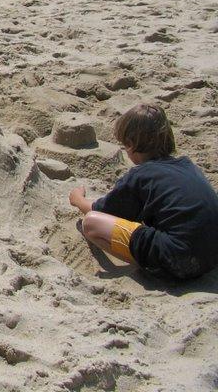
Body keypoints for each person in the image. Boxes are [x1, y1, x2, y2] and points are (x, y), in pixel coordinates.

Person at [68, 103, 218, 280]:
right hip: (213, 256)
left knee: (92, 222)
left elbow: (100, 211)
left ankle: (150, 266)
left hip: (180, 259)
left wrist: (77, 199)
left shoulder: (141, 175)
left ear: (130, 145)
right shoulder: (188, 165)